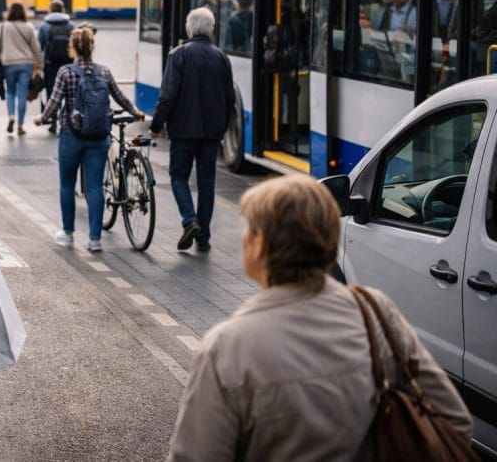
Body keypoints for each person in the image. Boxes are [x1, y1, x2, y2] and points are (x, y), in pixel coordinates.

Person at [166, 175, 473, 460]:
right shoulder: (374, 312)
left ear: (259, 245)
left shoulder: (227, 348)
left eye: (248, 229)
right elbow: (455, 421)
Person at [34, 27, 143, 252]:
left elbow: (54, 103)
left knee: (67, 184)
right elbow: (119, 96)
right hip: (98, 136)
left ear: (72, 47)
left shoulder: (65, 72)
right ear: (93, 47)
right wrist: (135, 111)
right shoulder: (104, 72)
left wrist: (41, 119)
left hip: (72, 136)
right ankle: (95, 240)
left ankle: (68, 234)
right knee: (95, 187)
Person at [150, 7, 234, 253]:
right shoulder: (221, 57)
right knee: (207, 183)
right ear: (212, 29)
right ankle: (203, 238)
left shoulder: (179, 54)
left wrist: (156, 125)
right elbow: (230, 98)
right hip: (211, 132)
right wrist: (223, 127)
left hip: (183, 130)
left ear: (188, 29)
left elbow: (167, 95)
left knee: (178, 176)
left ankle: (189, 220)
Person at [0, 2, 42, 136]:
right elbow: (36, 47)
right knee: (22, 94)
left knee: (10, 92)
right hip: (26, 63)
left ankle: (11, 117)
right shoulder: (28, 27)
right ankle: (20, 126)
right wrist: (39, 63)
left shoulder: (4, 26)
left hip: (8, 63)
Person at [37, 0, 75, 134]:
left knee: (51, 93)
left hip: (50, 64)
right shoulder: (70, 25)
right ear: (63, 9)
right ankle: (67, 122)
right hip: (68, 64)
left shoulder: (44, 26)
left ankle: (53, 121)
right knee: (68, 93)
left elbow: (39, 46)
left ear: (50, 10)